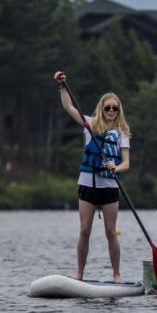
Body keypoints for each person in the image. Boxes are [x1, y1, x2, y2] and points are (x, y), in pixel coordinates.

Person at [54, 70, 130, 283]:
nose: (111, 111)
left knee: (110, 231)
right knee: (85, 230)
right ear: (101, 108)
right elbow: (68, 107)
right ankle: (79, 273)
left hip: (109, 185)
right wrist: (62, 86)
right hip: (87, 183)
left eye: (115, 108)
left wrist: (116, 167)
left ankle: (116, 274)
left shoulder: (122, 132)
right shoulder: (89, 123)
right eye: (108, 108)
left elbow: (126, 163)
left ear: (119, 110)